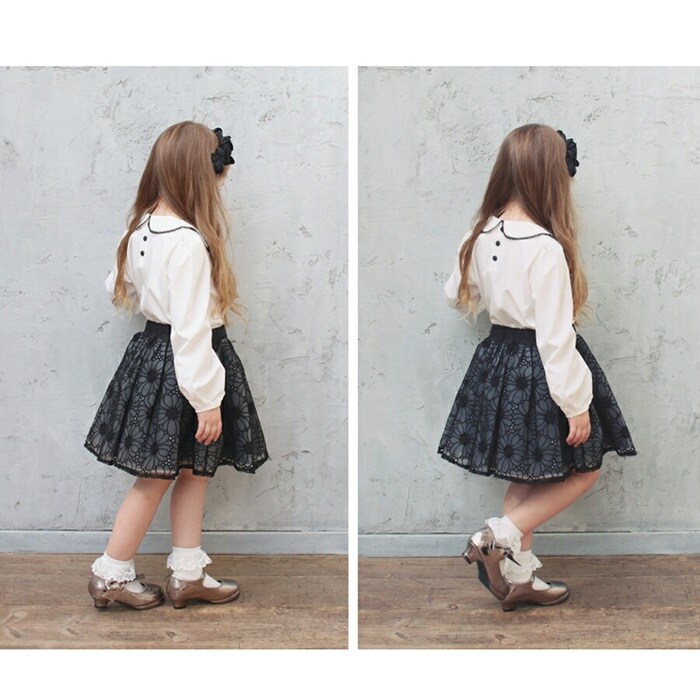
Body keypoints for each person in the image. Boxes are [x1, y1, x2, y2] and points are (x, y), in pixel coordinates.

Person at [438, 124, 636, 612]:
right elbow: (554, 336)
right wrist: (576, 403)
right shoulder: (546, 247)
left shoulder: (479, 234)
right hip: (540, 368)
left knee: (524, 475)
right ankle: (496, 536)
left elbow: (455, 293)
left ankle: (519, 577)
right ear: (550, 175)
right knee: (585, 470)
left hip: (498, 362)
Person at [84, 121, 269, 610]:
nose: (221, 186)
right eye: (218, 176)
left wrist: (153, 296)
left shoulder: (141, 226)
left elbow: (118, 287)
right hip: (188, 363)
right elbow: (190, 330)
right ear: (200, 176)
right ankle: (110, 574)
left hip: (153, 356)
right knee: (159, 476)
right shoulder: (187, 241)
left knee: (191, 470)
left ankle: (188, 574)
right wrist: (207, 400)